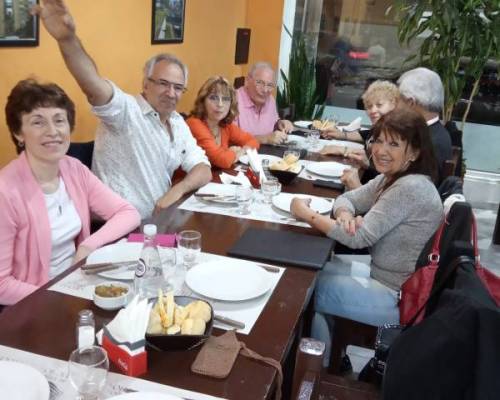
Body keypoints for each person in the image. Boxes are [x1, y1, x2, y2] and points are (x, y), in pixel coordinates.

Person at [290, 106, 443, 364]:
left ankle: (313, 374)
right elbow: (348, 198)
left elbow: (357, 239)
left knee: (306, 288)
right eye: (379, 140)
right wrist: (345, 215)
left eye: (394, 144)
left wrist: (305, 213)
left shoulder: (411, 187)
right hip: (381, 273)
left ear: (414, 152)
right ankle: (329, 363)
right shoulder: (392, 177)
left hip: (397, 296)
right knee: (314, 271)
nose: (381, 151)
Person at [34, 0, 212, 219]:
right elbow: (92, 85)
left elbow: (203, 169)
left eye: (178, 87)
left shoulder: (177, 123)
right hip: (118, 230)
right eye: (163, 84)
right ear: (146, 84)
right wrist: (67, 39)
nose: (171, 93)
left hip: (156, 226)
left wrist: (177, 190)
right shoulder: (126, 112)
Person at [0, 79, 141, 306]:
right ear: (19, 133)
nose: (53, 131)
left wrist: (88, 245)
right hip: (34, 305)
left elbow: (128, 212)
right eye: (38, 122)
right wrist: (57, 297)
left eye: (59, 120)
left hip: (75, 286)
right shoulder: (5, 192)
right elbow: (2, 285)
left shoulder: (73, 169)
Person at [321, 80, 399, 190]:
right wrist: (342, 135)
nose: (373, 110)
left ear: (394, 104)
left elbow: (388, 178)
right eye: (369, 106)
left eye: (379, 105)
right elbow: (367, 134)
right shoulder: (380, 127)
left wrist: (345, 151)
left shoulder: (397, 136)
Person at [187, 76, 259, 169]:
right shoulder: (194, 124)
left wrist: (241, 151)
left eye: (225, 99)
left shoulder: (225, 125)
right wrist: (233, 152)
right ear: (203, 101)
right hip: (187, 181)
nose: (220, 104)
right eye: (213, 98)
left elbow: (253, 141)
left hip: (212, 179)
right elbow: (223, 160)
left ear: (231, 104)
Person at [397, 67, 452, 184]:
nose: (396, 107)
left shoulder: (427, 142)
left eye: (398, 100)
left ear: (410, 102)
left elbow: (410, 193)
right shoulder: (436, 132)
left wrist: (356, 185)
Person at [235, 62, 293, 145]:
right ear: (247, 80)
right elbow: (231, 140)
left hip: (266, 156)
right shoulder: (234, 100)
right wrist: (264, 139)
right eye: (259, 82)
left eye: (269, 85)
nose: (265, 90)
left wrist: (279, 124)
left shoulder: (270, 100)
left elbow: (272, 124)